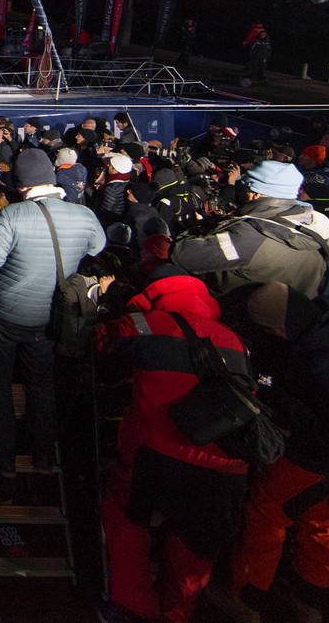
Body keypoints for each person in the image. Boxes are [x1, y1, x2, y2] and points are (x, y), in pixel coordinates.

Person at [209, 282, 329, 623]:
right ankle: (309, 598)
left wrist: (281, 401)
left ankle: (247, 599)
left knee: (266, 514)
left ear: (278, 327)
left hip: (326, 457)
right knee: (317, 519)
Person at [98, 265, 251, 623]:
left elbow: (100, 343)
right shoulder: (235, 339)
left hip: (157, 455)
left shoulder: (145, 325)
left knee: (126, 521)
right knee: (194, 550)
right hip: (226, 464)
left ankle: (136, 608)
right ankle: (176, 615)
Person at [0, 148, 106, 473]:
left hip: (4, 317)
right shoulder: (84, 215)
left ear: (21, 186)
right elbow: (98, 246)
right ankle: (43, 456)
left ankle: (5, 462)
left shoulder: (13, 216)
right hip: (49, 320)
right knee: (42, 385)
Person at [172, 160, 329, 297]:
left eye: (245, 185)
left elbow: (181, 255)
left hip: (238, 319)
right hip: (286, 317)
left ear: (255, 193)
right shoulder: (315, 224)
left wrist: (197, 227)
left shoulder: (249, 236)